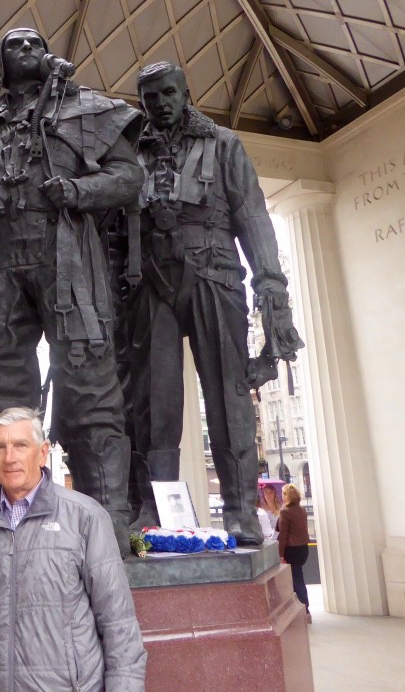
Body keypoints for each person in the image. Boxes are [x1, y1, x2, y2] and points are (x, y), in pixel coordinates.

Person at [0, 28, 144, 555]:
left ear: (48, 58)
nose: (24, 50)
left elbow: (130, 178)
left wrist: (80, 191)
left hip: (65, 256)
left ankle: (106, 529)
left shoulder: (89, 109)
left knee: (88, 386)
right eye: (13, 45)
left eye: (34, 43)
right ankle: (6, 522)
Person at [119, 61, 303, 544]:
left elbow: (253, 215)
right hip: (149, 281)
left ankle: (241, 509)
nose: (158, 102)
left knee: (227, 394)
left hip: (214, 273)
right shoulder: (126, 151)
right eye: (149, 96)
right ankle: (153, 505)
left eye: (166, 92)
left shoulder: (224, 143)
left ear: (185, 93)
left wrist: (271, 283)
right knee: (152, 402)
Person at [0, 406, 146, 691]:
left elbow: (118, 623)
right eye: (0, 447)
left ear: (42, 452)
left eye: (21, 445)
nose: (10, 457)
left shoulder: (84, 517)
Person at [278, 483, 311, 620]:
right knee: (298, 577)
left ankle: (303, 610)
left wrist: (280, 554)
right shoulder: (301, 509)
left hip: (292, 549)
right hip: (303, 548)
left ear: (287, 495)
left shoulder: (285, 511)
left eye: (283, 493)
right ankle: (305, 610)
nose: (282, 495)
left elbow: (283, 535)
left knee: (295, 580)